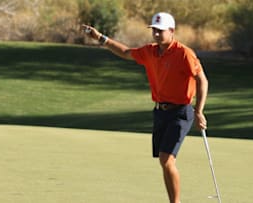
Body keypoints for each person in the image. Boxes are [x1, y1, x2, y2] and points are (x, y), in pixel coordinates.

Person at [82, 12, 208, 203]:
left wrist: (198, 111)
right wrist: (101, 38)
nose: (156, 34)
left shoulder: (184, 54)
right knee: (163, 161)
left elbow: (202, 80)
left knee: (166, 160)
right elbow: (125, 53)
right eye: (154, 31)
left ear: (172, 31)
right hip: (160, 112)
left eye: (160, 31)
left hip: (181, 112)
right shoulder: (150, 51)